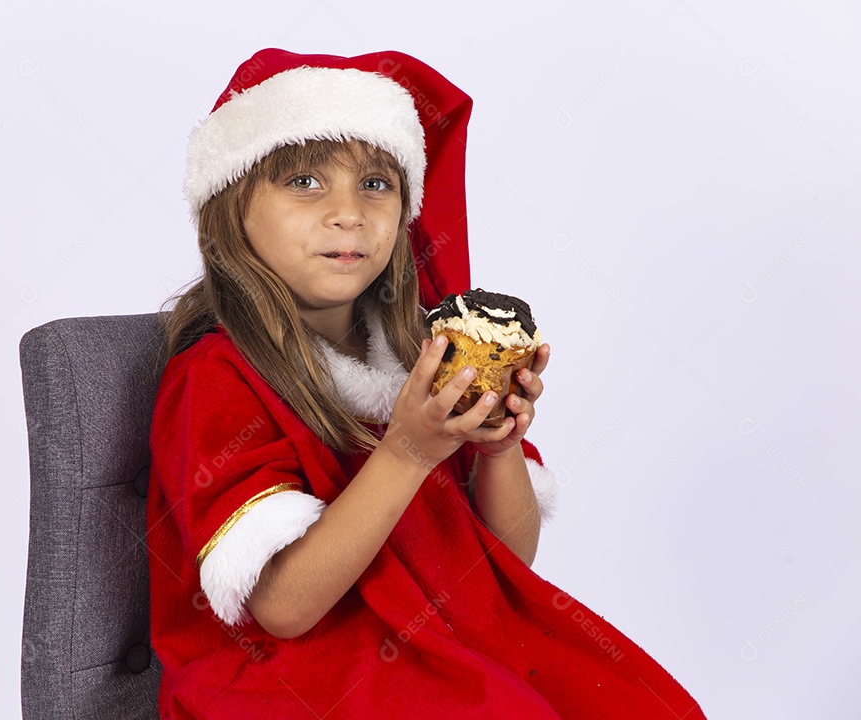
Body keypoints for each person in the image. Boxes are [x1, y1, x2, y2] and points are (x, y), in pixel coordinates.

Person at [147, 48, 706, 719]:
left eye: (376, 184)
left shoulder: (423, 353)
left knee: (645, 703)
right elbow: (283, 609)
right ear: (231, 208)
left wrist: (497, 449)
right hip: (297, 674)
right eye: (304, 180)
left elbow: (508, 561)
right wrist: (408, 453)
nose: (348, 213)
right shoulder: (218, 376)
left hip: (446, 636)